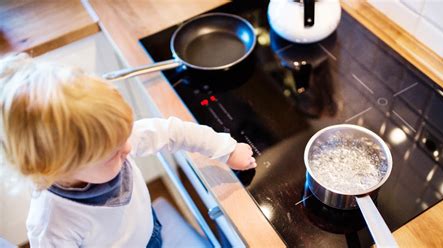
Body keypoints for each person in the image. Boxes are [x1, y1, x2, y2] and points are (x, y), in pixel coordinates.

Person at [0, 53, 257, 247]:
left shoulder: (110, 141)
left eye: (124, 136)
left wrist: (226, 149)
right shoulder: (51, 222)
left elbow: (172, 132)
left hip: (149, 229)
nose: (128, 147)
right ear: (59, 166)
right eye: (113, 153)